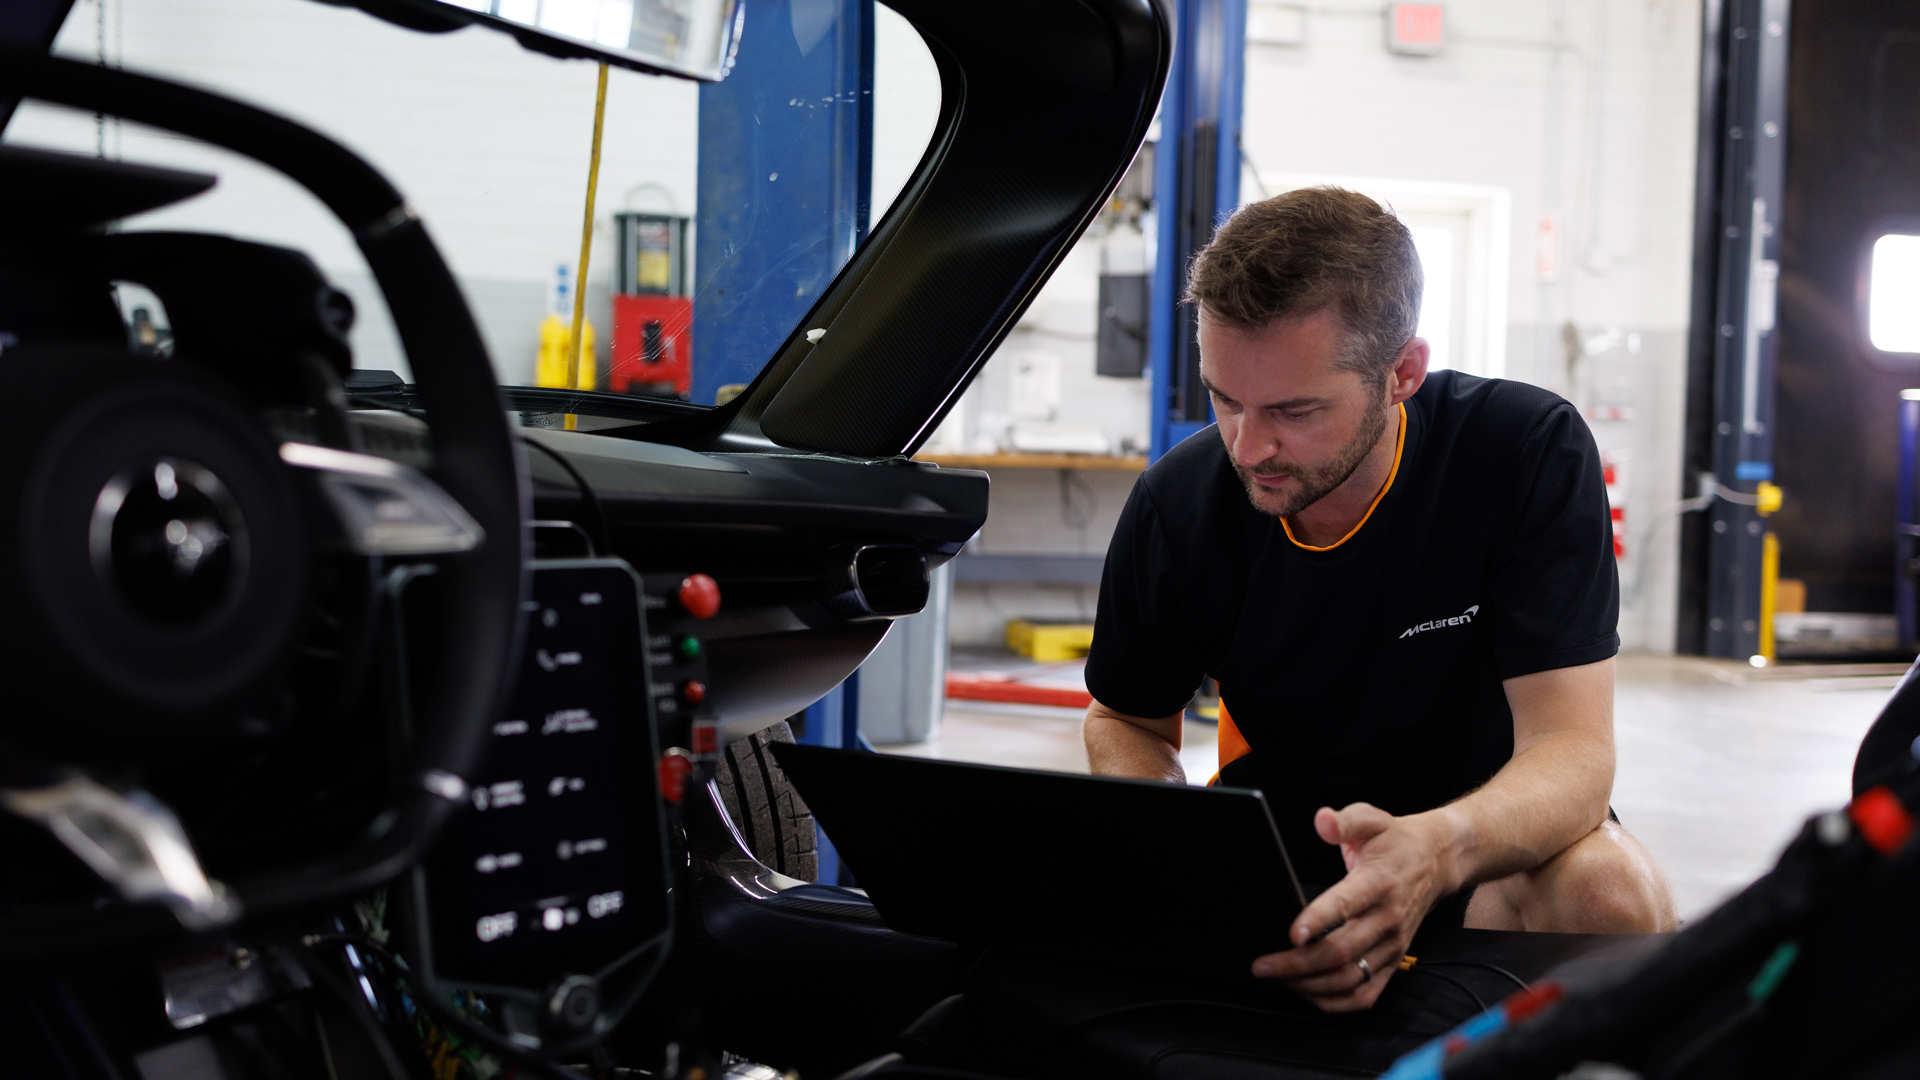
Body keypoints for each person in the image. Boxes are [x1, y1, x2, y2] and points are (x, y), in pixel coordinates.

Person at [1082, 187, 1677, 1014]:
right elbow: (1125, 721)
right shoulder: (1177, 507)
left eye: (1294, 410)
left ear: (1402, 373)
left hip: (1485, 854)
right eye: (1225, 399)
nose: (1248, 448)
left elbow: (1574, 755)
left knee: (1609, 893)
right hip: (1287, 871)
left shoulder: (1522, 453)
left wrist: (1436, 848)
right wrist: (1180, 843)